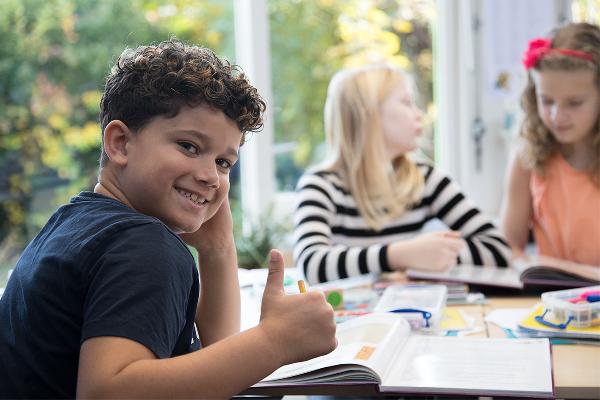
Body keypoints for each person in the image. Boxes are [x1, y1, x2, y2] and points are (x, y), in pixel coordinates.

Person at [0, 39, 337, 399]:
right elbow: (106, 393)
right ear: (120, 143)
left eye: (223, 162)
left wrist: (218, 250)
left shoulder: (74, 221)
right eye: (189, 146)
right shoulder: (142, 246)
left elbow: (212, 367)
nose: (210, 176)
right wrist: (274, 341)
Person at [294, 64, 512, 285]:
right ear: (369, 115)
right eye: (407, 103)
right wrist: (399, 255)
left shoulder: (426, 179)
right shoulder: (320, 186)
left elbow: (498, 248)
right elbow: (311, 265)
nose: (419, 114)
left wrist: (429, 256)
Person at [500, 22, 600, 266]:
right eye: (547, 101)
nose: (557, 116)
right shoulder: (527, 157)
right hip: (550, 288)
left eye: (574, 103)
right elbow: (508, 247)